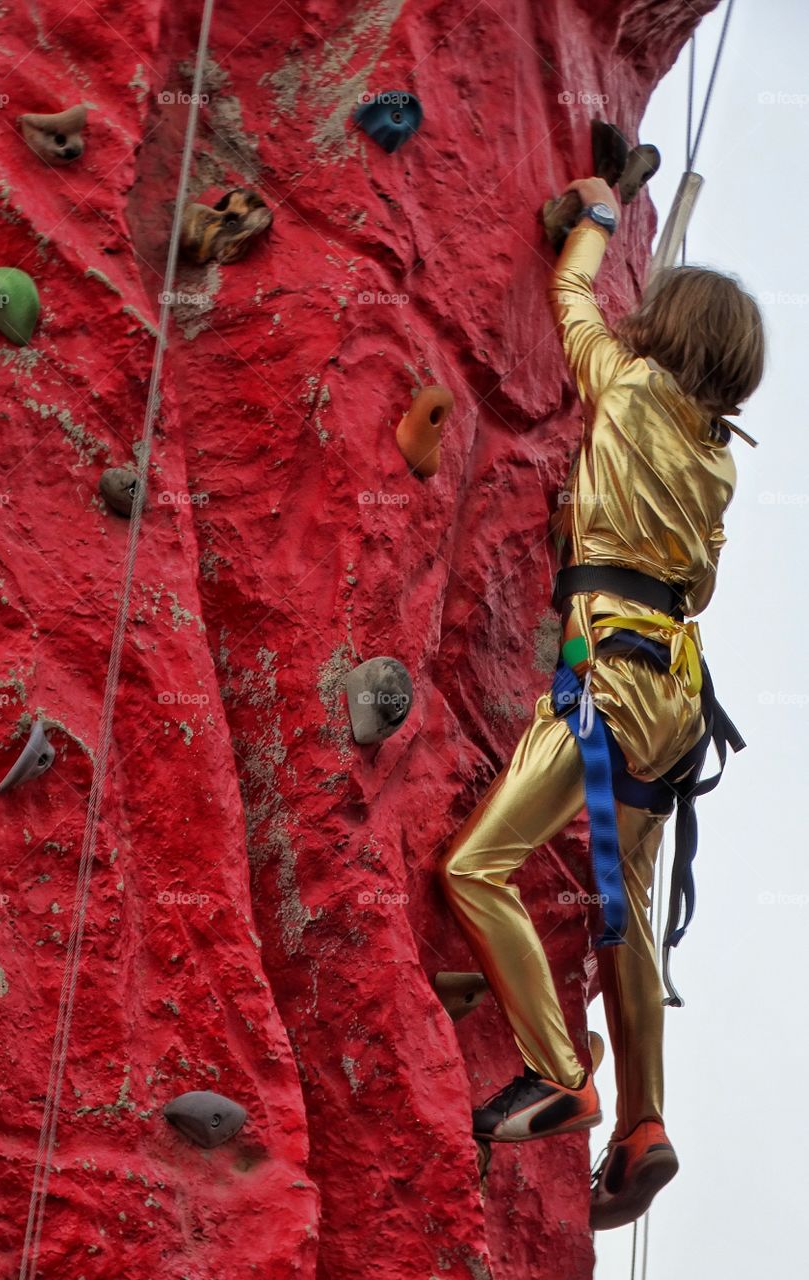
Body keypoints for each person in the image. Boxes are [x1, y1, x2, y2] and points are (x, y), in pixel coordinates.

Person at [439, 175, 764, 1229]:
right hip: (675, 696)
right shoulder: (717, 464)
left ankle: (557, 1070)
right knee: (623, 908)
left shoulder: (624, 390)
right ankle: (645, 1120)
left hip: (610, 679)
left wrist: (597, 220)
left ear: (661, 330)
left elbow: (570, 296)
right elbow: (703, 583)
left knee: (473, 865)